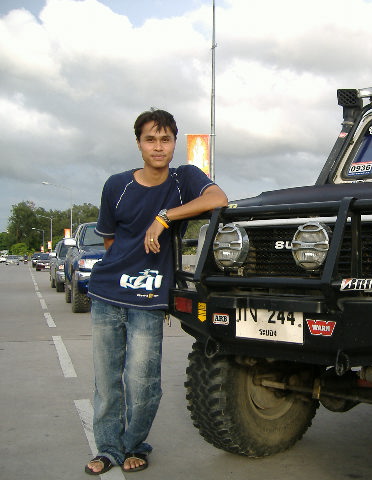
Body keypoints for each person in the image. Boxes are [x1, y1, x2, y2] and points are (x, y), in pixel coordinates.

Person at [84, 109, 227, 475]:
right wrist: (125, 268)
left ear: (175, 143)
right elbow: (111, 241)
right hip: (107, 294)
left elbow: (218, 199)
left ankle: (134, 445)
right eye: (150, 139)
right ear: (139, 144)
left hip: (148, 300)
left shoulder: (183, 179)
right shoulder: (117, 186)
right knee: (107, 380)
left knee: (143, 382)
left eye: (165, 139)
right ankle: (108, 448)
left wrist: (164, 217)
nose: (158, 147)